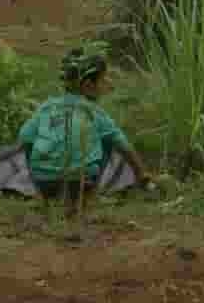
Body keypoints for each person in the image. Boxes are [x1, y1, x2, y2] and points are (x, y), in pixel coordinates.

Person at [17, 44, 151, 217]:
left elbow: (24, 139)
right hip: (80, 182)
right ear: (88, 85)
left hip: (45, 182)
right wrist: (142, 175)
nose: (108, 84)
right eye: (104, 79)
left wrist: (37, 173)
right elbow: (124, 147)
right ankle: (87, 197)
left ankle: (43, 198)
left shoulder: (46, 107)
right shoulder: (95, 112)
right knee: (108, 140)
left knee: (33, 142)